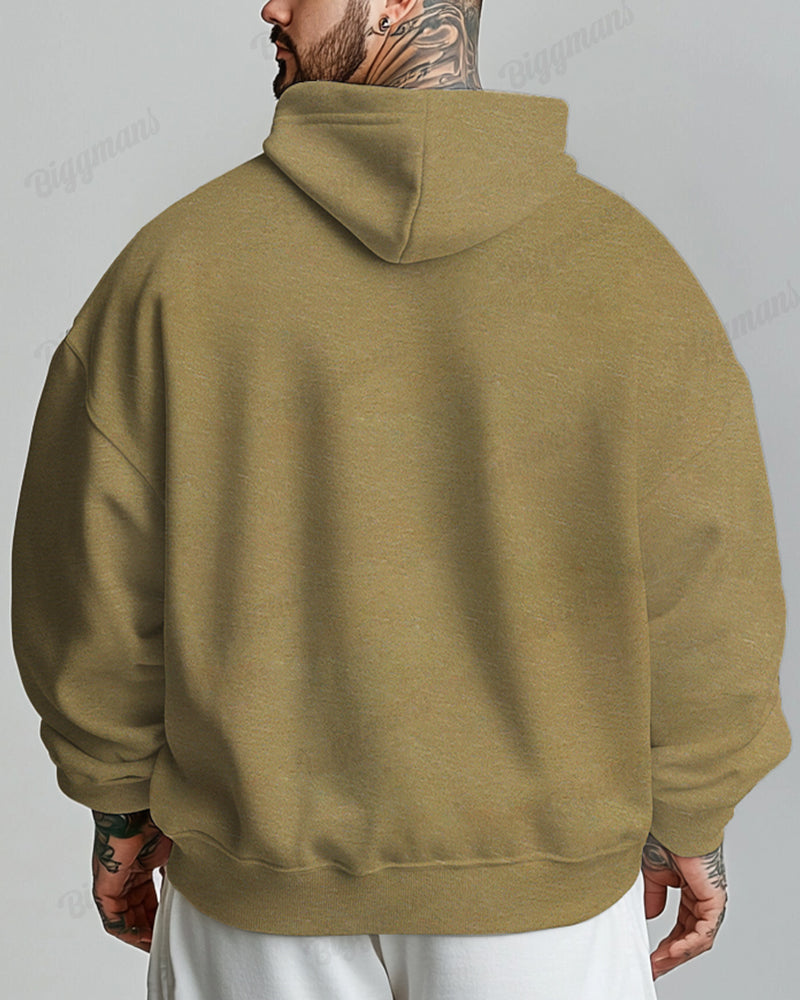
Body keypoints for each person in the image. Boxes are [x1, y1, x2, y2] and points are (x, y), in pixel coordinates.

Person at [10, 1, 791, 998]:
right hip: (543, 906)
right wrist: (691, 813)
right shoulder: (632, 272)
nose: (270, 6)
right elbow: (710, 591)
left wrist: (119, 812)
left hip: (258, 897)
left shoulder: (171, 270)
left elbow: (88, 586)